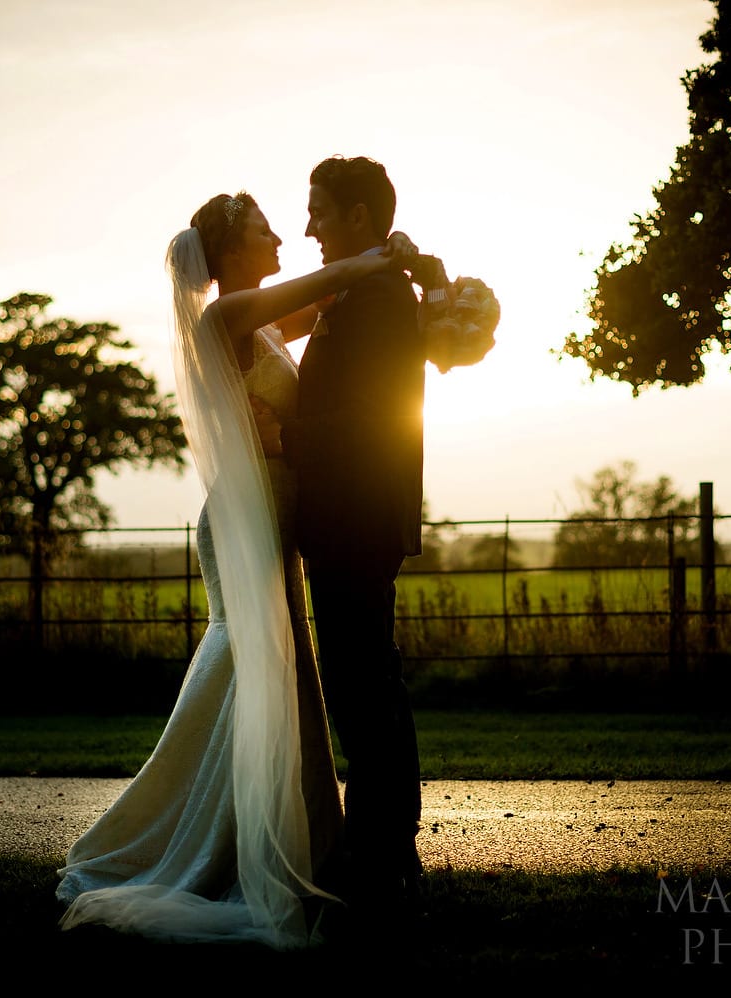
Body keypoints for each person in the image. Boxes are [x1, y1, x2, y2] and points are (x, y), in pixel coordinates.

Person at [54, 190, 419, 948]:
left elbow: (335, 311)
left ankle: (288, 840)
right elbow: (326, 288)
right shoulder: (225, 320)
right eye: (264, 229)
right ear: (230, 254)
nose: (283, 234)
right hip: (242, 524)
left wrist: (408, 280)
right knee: (246, 661)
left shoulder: (263, 326)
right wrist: (375, 255)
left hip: (275, 521)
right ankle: (181, 838)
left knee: (280, 673)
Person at [279, 156, 441, 924]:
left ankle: (383, 863)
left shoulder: (376, 298)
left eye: (318, 210)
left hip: (355, 517)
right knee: (366, 686)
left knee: (365, 691)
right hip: (349, 517)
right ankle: (384, 858)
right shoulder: (357, 291)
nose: (307, 227)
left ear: (357, 215)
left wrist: (282, 435)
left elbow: (372, 419)